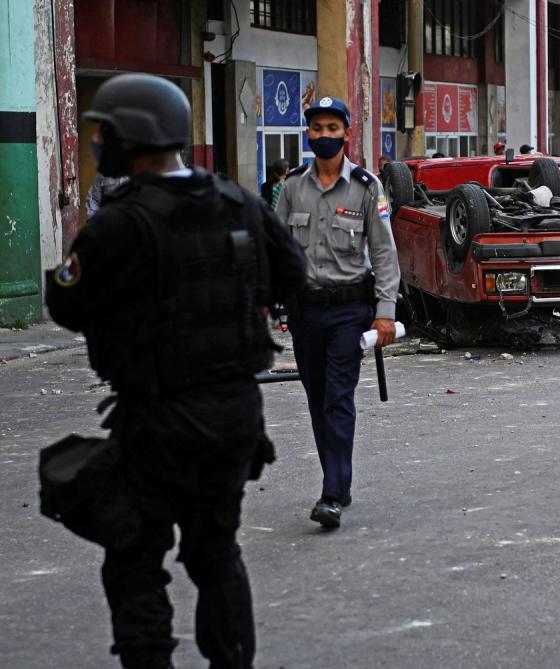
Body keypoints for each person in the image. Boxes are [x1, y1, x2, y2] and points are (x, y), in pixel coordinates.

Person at [45, 74, 307, 669]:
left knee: (135, 559)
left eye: (103, 134)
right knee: (216, 554)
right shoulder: (239, 201)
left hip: (158, 418)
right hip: (236, 413)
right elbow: (292, 276)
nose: (98, 144)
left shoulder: (119, 223)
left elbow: (66, 303)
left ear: (128, 138)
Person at [276, 96, 401, 529]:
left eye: (333, 128)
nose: (324, 136)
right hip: (305, 311)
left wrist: (385, 313)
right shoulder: (292, 186)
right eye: (317, 128)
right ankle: (340, 480)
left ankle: (331, 493)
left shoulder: (367, 187)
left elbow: (384, 254)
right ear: (307, 134)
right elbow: (278, 250)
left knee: (337, 398)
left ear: (347, 133)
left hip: (350, 309)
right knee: (316, 399)